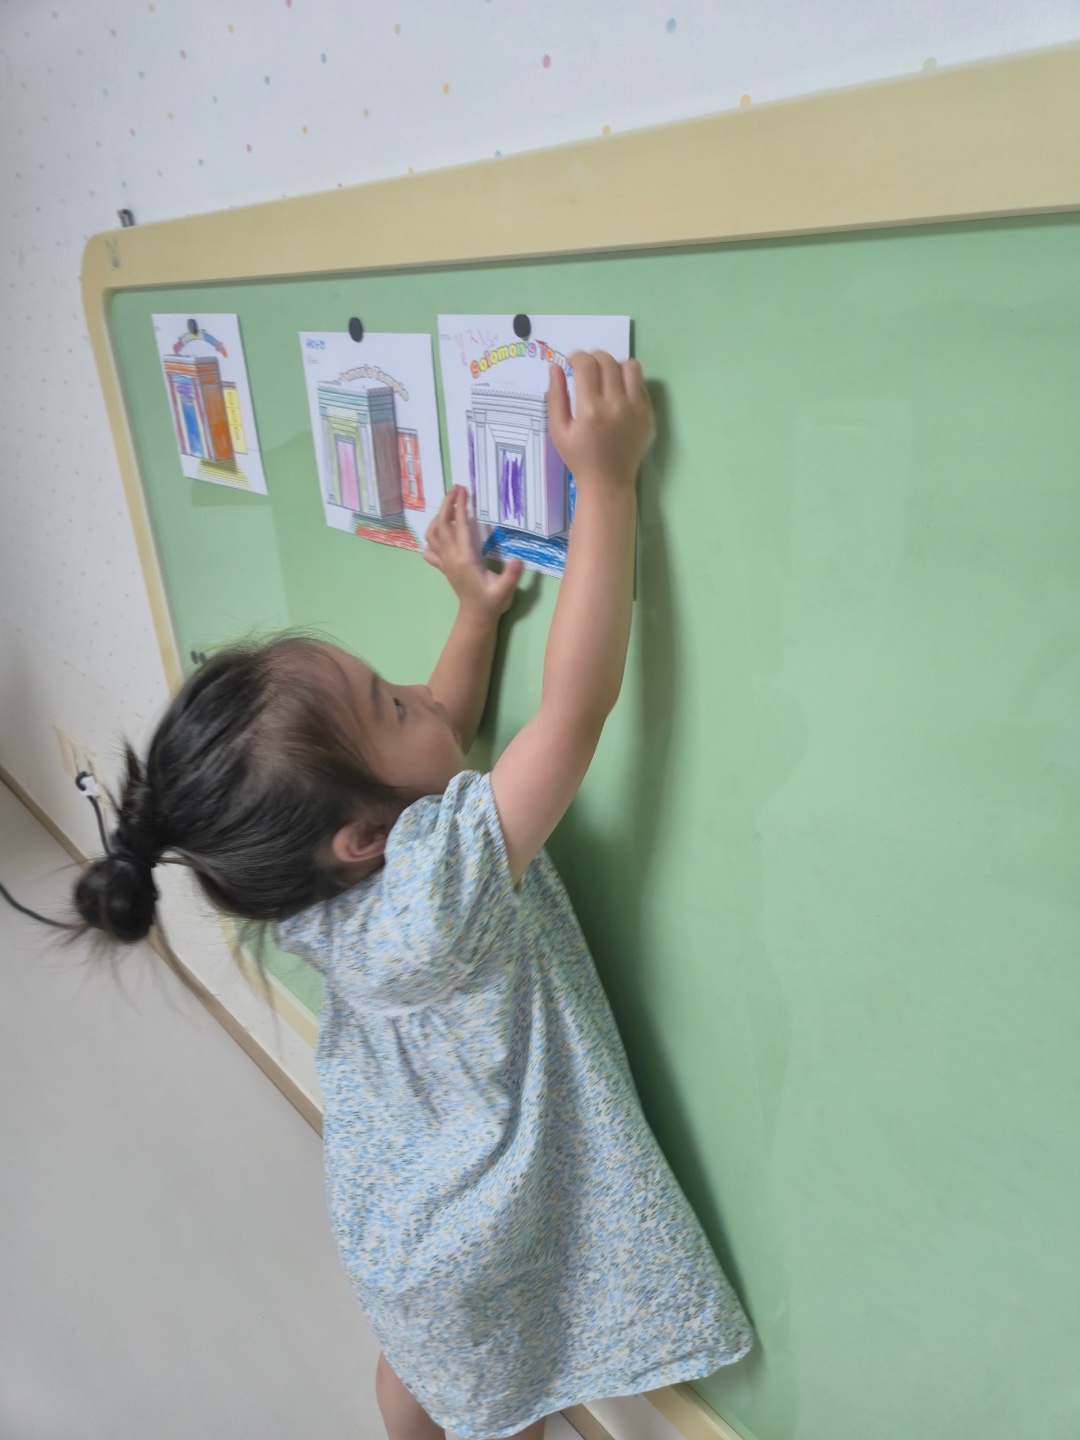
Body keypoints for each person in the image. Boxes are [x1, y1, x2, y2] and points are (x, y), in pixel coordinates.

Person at [75, 352, 753, 1440]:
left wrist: (474, 615)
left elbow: (438, 729)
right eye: (389, 702)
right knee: (505, 1412)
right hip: (473, 1237)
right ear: (366, 838)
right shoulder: (436, 896)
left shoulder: (300, 885)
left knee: (423, 1374)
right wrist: (608, 484)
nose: (416, 692)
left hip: (400, 1226)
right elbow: (573, 712)